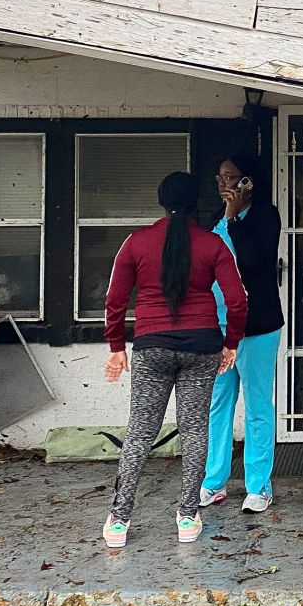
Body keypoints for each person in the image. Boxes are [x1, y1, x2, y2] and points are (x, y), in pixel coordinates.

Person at [101, 171, 246, 548]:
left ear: (162, 202)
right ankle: (187, 516)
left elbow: (115, 301)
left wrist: (116, 346)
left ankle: (119, 520)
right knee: (196, 428)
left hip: (151, 346)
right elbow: (237, 301)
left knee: (140, 431)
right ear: (197, 202)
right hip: (202, 347)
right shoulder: (213, 244)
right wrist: (230, 344)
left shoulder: (136, 243)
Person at [199, 151, 285, 514]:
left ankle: (258, 486)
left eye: (231, 177)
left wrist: (234, 220)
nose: (223, 183)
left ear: (248, 181)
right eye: (220, 176)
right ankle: (213, 481)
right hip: (219, 325)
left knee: (258, 406)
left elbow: (252, 260)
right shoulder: (215, 217)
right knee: (218, 405)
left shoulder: (265, 215)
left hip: (258, 326)